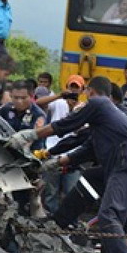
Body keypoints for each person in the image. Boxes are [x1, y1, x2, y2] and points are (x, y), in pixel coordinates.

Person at [5, 76, 127, 253]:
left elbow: (66, 125)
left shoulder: (99, 104)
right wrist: (52, 161)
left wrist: (31, 135)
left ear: (90, 91)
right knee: (116, 223)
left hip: (125, 161)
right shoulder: (104, 123)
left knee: (108, 214)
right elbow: (84, 149)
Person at [42, 74, 86, 213]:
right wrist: (60, 96)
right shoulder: (58, 103)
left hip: (73, 156)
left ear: (82, 90)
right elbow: (38, 103)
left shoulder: (85, 108)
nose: (73, 91)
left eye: (76, 88)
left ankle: (67, 222)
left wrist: (75, 113)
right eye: (71, 87)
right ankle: (51, 219)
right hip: (53, 151)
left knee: (72, 192)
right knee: (51, 192)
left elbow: (84, 131)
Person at [0, 80, 46, 150]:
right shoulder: (5, 109)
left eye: (23, 98)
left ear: (31, 96)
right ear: (11, 96)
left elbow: (35, 141)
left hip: (30, 153)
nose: (19, 101)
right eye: (16, 98)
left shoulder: (38, 115)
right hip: (4, 149)